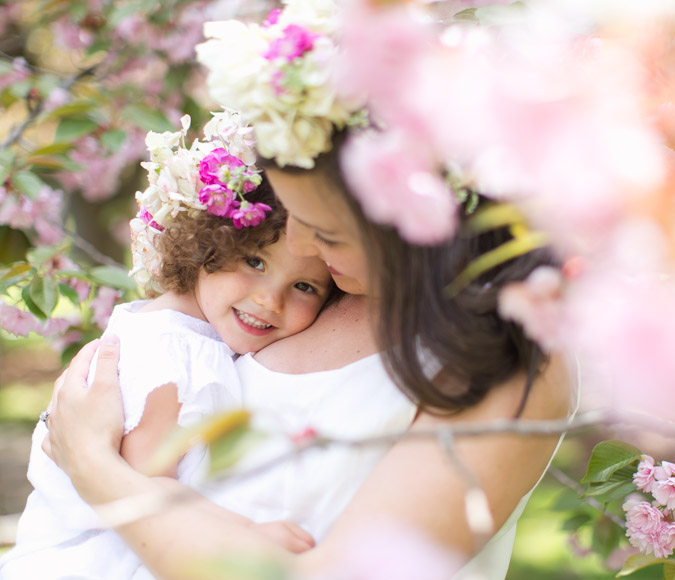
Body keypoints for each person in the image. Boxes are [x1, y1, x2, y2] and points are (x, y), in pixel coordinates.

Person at [39, 4, 578, 579]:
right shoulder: (313, 296)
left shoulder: (507, 357)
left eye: (325, 233)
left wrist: (98, 472)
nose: (299, 245)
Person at [0, 112, 334, 579]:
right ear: (204, 244)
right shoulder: (177, 355)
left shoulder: (165, 325)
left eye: (305, 287)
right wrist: (245, 534)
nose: (270, 299)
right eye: (254, 261)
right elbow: (144, 484)